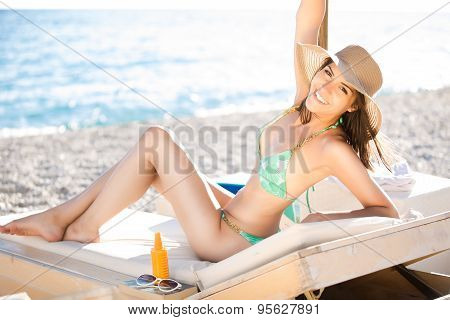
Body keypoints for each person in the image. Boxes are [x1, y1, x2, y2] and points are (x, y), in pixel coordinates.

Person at [0, 0, 399, 263]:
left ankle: (79, 225)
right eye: (328, 71)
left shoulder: (334, 149)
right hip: (229, 212)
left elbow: (385, 211)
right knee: (151, 161)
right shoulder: (303, 101)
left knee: (156, 141)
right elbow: (306, 21)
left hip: (231, 243)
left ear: (353, 105)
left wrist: (326, 219)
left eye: (341, 88)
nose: (325, 87)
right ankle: (65, 218)